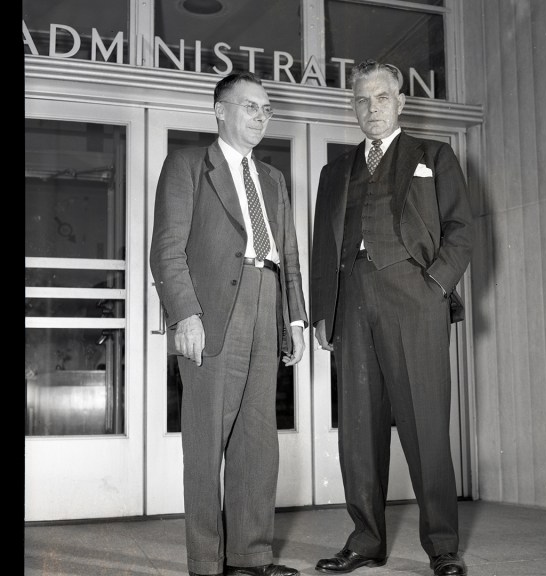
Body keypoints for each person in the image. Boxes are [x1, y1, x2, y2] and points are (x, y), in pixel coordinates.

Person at [309, 60, 474, 576]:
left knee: (426, 427)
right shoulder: (335, 171)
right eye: (362, 100)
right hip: (352, 300)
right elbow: (322, 246)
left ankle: (442, 545)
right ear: (353, 106)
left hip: (414, 295)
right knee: (358, 429)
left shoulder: (434, 156)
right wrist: (324, 312)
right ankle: (366, 541)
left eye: (382, 98)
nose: (372, 108)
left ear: (400, 102)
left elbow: (461, 228)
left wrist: (434, 286)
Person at [150, 71, 308, 576]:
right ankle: (205, 562)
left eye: (266, 109)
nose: (261, 117)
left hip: (267, 300)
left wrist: (296, 318)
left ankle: (250, 557)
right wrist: (185, 314)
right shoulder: (188, 165)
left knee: (258, 441)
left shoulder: (274, 179)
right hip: (214, 311)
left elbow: (289, 255)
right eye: (250, 106)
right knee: (205, 443)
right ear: (220, 111)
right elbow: (167, 250)